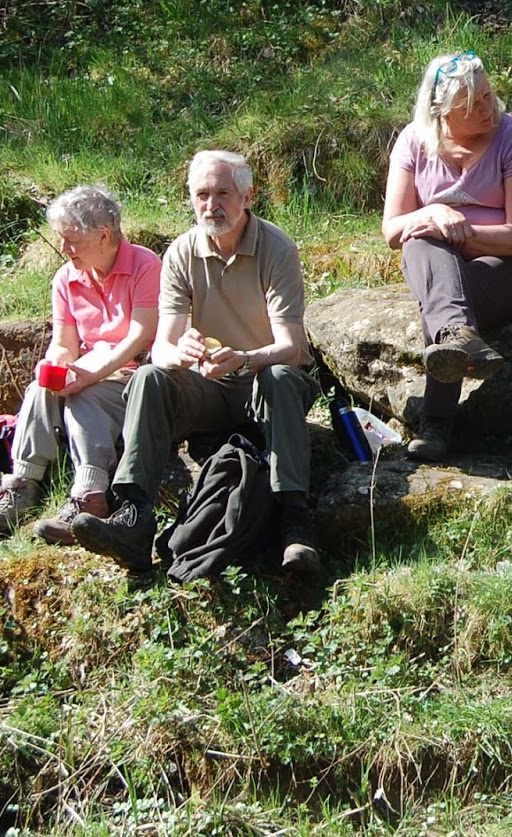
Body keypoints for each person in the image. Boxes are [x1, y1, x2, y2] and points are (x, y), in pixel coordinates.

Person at [71, 150, 323, 573]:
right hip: (209, 387)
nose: (211, 205)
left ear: (247, 196)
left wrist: (244, 359)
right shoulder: (181, 253)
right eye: (202, 195)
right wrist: (181, 353)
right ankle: (134, 518)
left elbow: (291, 347)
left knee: (279, 376)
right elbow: (162, 347)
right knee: (150, 377)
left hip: (264, 384)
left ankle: (295, 522)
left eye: (222, 193)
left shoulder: (276, 248)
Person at [382, 51, 512, 462]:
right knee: (418, 243)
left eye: (489, 95)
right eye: (472, 105)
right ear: (440, 111)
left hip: (511, 267)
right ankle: (460, 337)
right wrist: (433, 213)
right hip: (439, 262)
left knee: (440, 304)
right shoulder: (414, 141)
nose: (488, 108)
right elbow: (393, 231)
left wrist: (464, 234)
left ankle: (436, 425)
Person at [0, 185, 161, 541]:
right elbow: (64, 344)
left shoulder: (145, 265)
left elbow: (141, 335)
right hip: (91, 369)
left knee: (84, 396)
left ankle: (89, 498)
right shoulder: (66, 278)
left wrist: (89, 374)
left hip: (134, 374)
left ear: (104, 236)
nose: (63, 248)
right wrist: (55, 366)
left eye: (72, 240)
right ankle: (23, 485)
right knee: (40, 389)